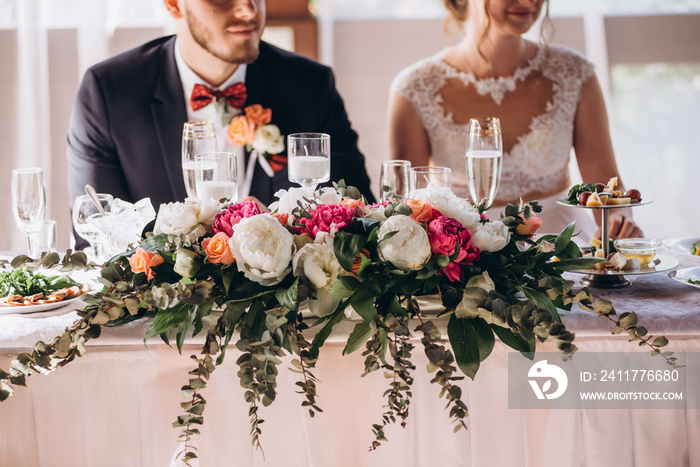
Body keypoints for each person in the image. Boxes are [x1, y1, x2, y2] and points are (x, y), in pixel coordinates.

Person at [67, 0, 375, 223]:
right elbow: (97, 232)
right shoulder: (109, 93)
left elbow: (360, 215)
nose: (249, 9)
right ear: (174, 5)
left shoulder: (310, 86)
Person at [387, 0, 642, 240]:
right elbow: (407, 207)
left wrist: (619, 218)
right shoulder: (414, 89)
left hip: (563, 250)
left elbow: (606, 185)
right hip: (465, 260)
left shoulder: (575, 74)